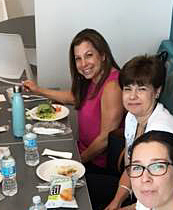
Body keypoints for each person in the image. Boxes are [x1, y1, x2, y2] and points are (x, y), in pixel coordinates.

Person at [99, 54, 173, 210]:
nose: (133, 96)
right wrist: (116, 202)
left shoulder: (162, 133)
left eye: (141, 89)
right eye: (127, 89)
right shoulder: (132, 117)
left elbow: (162, 191)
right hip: (145, 191)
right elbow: (132, 168)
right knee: (84, 190)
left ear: (157, 91)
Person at [23, 28, 123, 171]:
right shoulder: (93, 78)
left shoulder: (112, 86)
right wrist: (38, 90)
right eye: (78, 58)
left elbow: (105, 139)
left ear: (102, 55)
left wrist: (77, 162)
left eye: (89, 55)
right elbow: (74, 97)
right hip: (80, 150)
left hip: (97, 164)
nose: (83, 64)